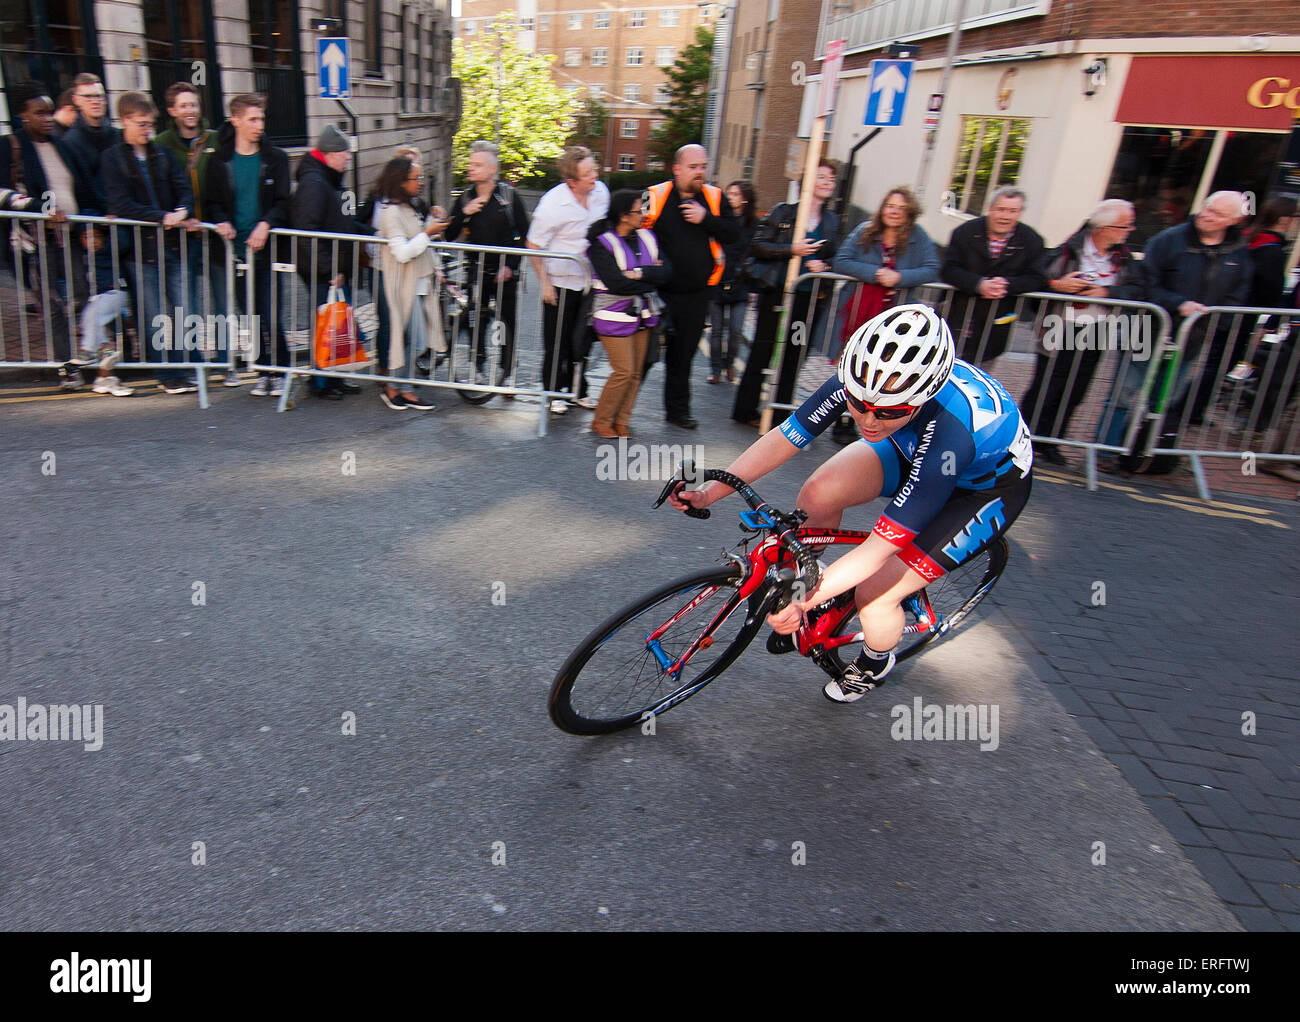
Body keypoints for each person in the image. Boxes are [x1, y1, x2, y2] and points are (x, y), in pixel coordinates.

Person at [670, 304, 1033, 703]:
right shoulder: (866, 379)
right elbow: (785, 438)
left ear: (922, 396)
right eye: (858, 403)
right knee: (820, 491)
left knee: (875, 594)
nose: (869, 420)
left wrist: (802, 598)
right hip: (913, 445)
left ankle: (875, 661)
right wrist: (709, 491)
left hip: (983, 490)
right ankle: (821, 576)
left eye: (889, 411)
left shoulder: (950, 428)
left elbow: (878, 549)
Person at [1018, 198, 1142, 464]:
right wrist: (1058, 285)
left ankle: (1053, 439)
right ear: (1104, 227)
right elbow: (1038, 279)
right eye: (1124, 226)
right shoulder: (1069, 250)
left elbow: (1138, 288)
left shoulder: (1123, 258)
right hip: (1060, 323)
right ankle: (1022, 437)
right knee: (1047, 383)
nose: (1128, 231)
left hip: (1098, 327)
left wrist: (1108, 292)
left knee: (1077, 388)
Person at [0, 81, 102, 387]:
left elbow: (81, 188)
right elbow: (3, 192)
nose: (46, 118)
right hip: (34, 240)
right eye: (39, 112)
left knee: (82, 296)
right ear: (22, 116)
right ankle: (67, 368)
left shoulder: (61, 145)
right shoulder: (9, 146)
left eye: (49, 112)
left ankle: (88, 355)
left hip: (68, 235)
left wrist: (93, 223)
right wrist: (38, 206)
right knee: (52, 303)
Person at [99, 91, 197, 393]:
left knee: (184, 310)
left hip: (173, 246)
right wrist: (162, 216)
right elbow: (120, 203)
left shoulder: (162, 154)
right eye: (141, 124)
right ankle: (167, 376)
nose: (147, 131)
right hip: (142, 252)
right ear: (125, 120)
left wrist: (182, 210)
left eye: (150, 124)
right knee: (154, 316)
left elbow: (184, 188)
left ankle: (186, 369)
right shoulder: (113, 159)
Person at [732, 160, 840, 427]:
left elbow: (835, 256)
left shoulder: (831, 221)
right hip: (778, 294)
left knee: (795, 351)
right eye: (822, 176)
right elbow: (758, 245)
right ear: (808, 182)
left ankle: (780, 413)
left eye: (831, 178)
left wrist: (823, 267)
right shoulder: (784, 213)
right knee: (764, 349)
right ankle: (746, 410)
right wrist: (792, 249)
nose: (828, 182)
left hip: (808, 299)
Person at [641, 143, 738, 429]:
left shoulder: (715, 198)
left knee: (683, 356)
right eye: (693, 167)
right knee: (643, 356)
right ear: (677, 169)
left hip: (698, 292)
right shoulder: (653, 195)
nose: (700, 173)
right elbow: (635, 232)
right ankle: (619, 411)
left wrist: (706, 218)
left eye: (703, 167)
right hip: (658, 293)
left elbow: (734, 234)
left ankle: (678, 411)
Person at [831, 185, 940, 440]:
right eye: (891, 206)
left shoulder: (918, 237)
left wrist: (899, 277)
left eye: (901, 208)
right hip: (859, 313)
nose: (894, 212)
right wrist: (874, 274)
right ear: (883, 208)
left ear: (909, 212)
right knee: (852, 366)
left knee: (884, 370)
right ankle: (844, 419)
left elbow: (932, 268)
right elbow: (842, 260)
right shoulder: (866, 230)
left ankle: (877, 422)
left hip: (895, 319)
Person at [1140, 190, 1253, 428]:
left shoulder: (1238, 252)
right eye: (1208, 209)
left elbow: (1237, 294)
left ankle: (1144, 452)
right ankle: (1108, 450)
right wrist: (1177, 303)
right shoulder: (1168, 239)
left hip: (1192, 338)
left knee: (1165, 398)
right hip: (1148, 329)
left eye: (1219, 214)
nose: (1208, 216)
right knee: (1127, 394)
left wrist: (1214, 319)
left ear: (1234, 221)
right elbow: (1146, 282)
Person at [205, 93, 292, 395]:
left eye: (261, 119)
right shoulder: (219, 160)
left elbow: (284, 202)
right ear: (236, 120)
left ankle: (281, 371)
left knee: (270, 312)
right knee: (249, 314)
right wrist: (221, 221)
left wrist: (266, 224)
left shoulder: (275, 158)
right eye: (253, 119)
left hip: (267, 249)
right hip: (235, 251)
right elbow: (212, 202)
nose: (259, 125)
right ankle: (262, 371)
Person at [290, 124, 374, 399]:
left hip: (329, 268)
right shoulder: (315, 184)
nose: (348, 158)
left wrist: (370, 232)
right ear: (329, 154)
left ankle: (332, 378)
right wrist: (329, 270)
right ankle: (320, 382)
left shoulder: (323, 180)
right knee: (328, 324)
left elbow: (338, 224)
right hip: (322, 270)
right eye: (344, 153)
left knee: (336, 324)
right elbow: (307, 233)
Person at [526, 145, 609, 415]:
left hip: (590, 281)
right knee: (557, 342)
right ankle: (553, 392)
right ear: (571, 181)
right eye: (587, 174)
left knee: (581, 340)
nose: (594, 176)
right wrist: (545, 283)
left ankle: (578, 391)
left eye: (594, 169)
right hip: (560, 282)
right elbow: (533, 245)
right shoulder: (553, 205)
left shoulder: (601, 194)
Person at [586, 189, 673, 438]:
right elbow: (615, 283)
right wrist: (650, 277)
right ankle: (602, 420)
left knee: (636, 372)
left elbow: (667, 273)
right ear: (624, 215)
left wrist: (639, 274)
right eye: (638, 211)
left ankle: (621, 420)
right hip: (612, 315)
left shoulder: (648, 237)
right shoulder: (602, 243)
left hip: (642, 314)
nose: (643, 215)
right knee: (623, 370)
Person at [445, 140, 529, 388]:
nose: (471, 168)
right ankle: (477, 366)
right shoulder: (464, 198)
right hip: (476, 271)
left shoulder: (510, 197)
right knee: (476, 322)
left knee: (504, 322)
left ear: (492, 170)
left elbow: (523, 236)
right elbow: (449, 234)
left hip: (504, 273)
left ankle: (507, 370)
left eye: (477, 165)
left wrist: (511, 266)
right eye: (470, 164)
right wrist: (465, 213)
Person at [157, 82, 226, 366]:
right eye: (183, 105)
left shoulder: (216, 140)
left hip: (215, 234)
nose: (190, 111)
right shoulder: (160, 144)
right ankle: (195, 363)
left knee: (223, 304)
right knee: (188, 306)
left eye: (194, 105)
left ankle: (225, 362)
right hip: (181, 237)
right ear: (172, 110)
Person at [940, 185, 1046, 365]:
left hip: (996, 322)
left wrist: (1007, 285)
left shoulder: (1032, 240)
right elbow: (948, 269)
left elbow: (1037, 278)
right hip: (958, 316)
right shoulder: (965, 232)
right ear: (990, 208)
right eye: (1001, 209)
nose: (1005, 216)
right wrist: (978, 284)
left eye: (1012, 211)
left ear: (1020, 213)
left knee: (980, 377)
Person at [376, 155, 448, 410]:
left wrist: (431, 223)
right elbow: (403, 251)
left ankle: (403, 387)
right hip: (402, 286)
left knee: (416, 340)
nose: (420, 183)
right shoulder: (391, 212)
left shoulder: (410, 207)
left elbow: (417, 239)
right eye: (415, 179)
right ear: (400, 182)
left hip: (417, 284)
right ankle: (396, 387)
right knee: (414, 340)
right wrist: (427, 233)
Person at [707, 180, 757, 385]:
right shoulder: (719, 220)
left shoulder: (753, 224)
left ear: (745, 198)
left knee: (736, 331)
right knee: (716, 330)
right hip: (717, 279)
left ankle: (729, 364)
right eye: (728, 193)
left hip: (741, 283)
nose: (730, 197)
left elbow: (755, 253)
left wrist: (753, 286)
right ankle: (715, 369)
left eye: (735, 194)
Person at [62, 73, 119, 180]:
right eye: (88, 97)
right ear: (76, 100)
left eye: (99, 96)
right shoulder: (70, 142)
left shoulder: (118, 135)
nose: (95, 101)